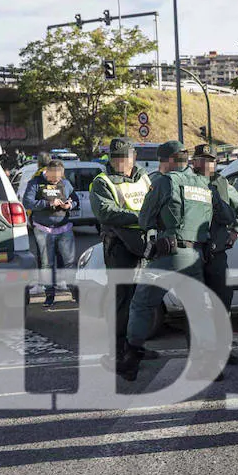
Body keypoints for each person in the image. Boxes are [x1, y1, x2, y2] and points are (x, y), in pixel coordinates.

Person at [119, 142, 215, 381]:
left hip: (169, 255)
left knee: (142, 304)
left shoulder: (166, 181)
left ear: (171, 160)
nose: (161, 167)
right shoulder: (203, 184)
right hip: (195, 255)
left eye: (162, 162)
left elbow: (144, 219)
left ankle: (130, 360)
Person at [90, 137, 153, 360]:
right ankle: (118, 350)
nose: (119, 162)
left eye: (124, 157)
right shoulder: (102, 181)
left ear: (133, 157)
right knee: (122, 300)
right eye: (115, 158)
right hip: (119, 247)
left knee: (141, 299)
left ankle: (136, 346)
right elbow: (105, 212)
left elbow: (154, 201)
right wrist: (141, 217)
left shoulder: (144, 177)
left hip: (143, 245)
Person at [191, 143, 238, 365]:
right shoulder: (185, 182)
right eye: (202, 159)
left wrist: (236, 231)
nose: (206, 163)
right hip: (192, 255)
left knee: (222, 305)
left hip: (216, 255)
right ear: (193, 162)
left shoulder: (222, 184)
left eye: (210, 160)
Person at [22, 159, 79, 308]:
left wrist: (70, 205)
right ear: (47, 172)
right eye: (54, 178)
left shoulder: (65, 183)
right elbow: (27, 202)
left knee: (70, 262)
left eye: (59, 177)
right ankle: (49, 294)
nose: (57, 180)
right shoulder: (35, 183)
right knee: (47, 263)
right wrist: (48, 204)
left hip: (64, 227)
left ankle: (73, 290)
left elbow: (75, 199)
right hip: (43, 229)